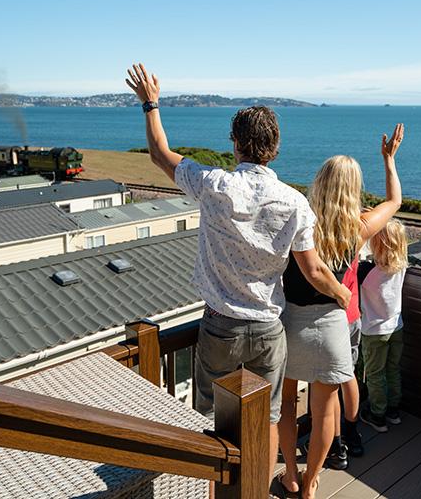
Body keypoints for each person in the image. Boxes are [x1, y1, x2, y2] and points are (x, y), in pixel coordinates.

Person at [125, 63, 351, 491]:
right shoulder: (296, 203)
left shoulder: (213, 184)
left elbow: (158, 153)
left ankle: (211, 489)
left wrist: (151, 103)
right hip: (269, 329)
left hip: (220, 325)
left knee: (211, 421)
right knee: (266, 419)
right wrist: (341, 294)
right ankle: (255, 492)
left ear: (235, 145)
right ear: (276, 148)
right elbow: (314, 270)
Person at [277, 124, 404, 499]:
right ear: (353, 189)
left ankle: (290, 473)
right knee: (324, 408)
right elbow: (395, 201)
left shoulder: (298, 221)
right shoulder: (358, 227)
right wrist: (389, 160)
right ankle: (312, 481)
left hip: (291, 323)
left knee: (284, 404)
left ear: (319, 182)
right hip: (333, 325)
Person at [358, 218, 409, 432]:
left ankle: (377, 414)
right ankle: (393, 410)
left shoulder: (367, 271)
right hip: (396, 326)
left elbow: (354, 259)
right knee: (393, 369)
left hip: (374, 331)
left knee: (375, 374)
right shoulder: (402, 267)